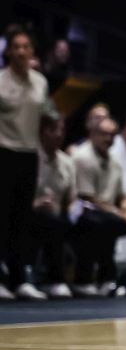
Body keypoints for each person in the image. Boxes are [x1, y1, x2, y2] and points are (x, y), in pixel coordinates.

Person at [0, 29, 55, 300]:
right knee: (2, 217)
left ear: (33, 51)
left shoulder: (40, 82)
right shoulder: (0, 81)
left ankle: (19, 279)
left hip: (28, 154)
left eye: (26, 46)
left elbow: (46, 117)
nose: (21, 51)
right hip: (3, 152)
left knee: (22, 219)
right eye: (16, 46)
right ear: (8, 51)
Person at [71, 114, 126, 296]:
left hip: (107, 213)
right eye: (103, 134)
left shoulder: (114, 162)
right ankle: (86, 278)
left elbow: (121, 196)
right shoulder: (83, 157)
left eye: (111, 135)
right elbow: (88, 198)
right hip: (81, 213)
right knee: (102, 222)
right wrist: (121, 214)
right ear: (92, 134)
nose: (108, 139)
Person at [29, 113, 75, 297]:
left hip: (57, 219)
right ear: (41, 132)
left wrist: (74, 210)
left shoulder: (67, 163)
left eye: (62, 129)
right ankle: (49, 278)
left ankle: (71, 280)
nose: (59, 134)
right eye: (53, 129)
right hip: (27, 215)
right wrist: (36, 204)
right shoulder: (29, 159)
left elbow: (71, 199)